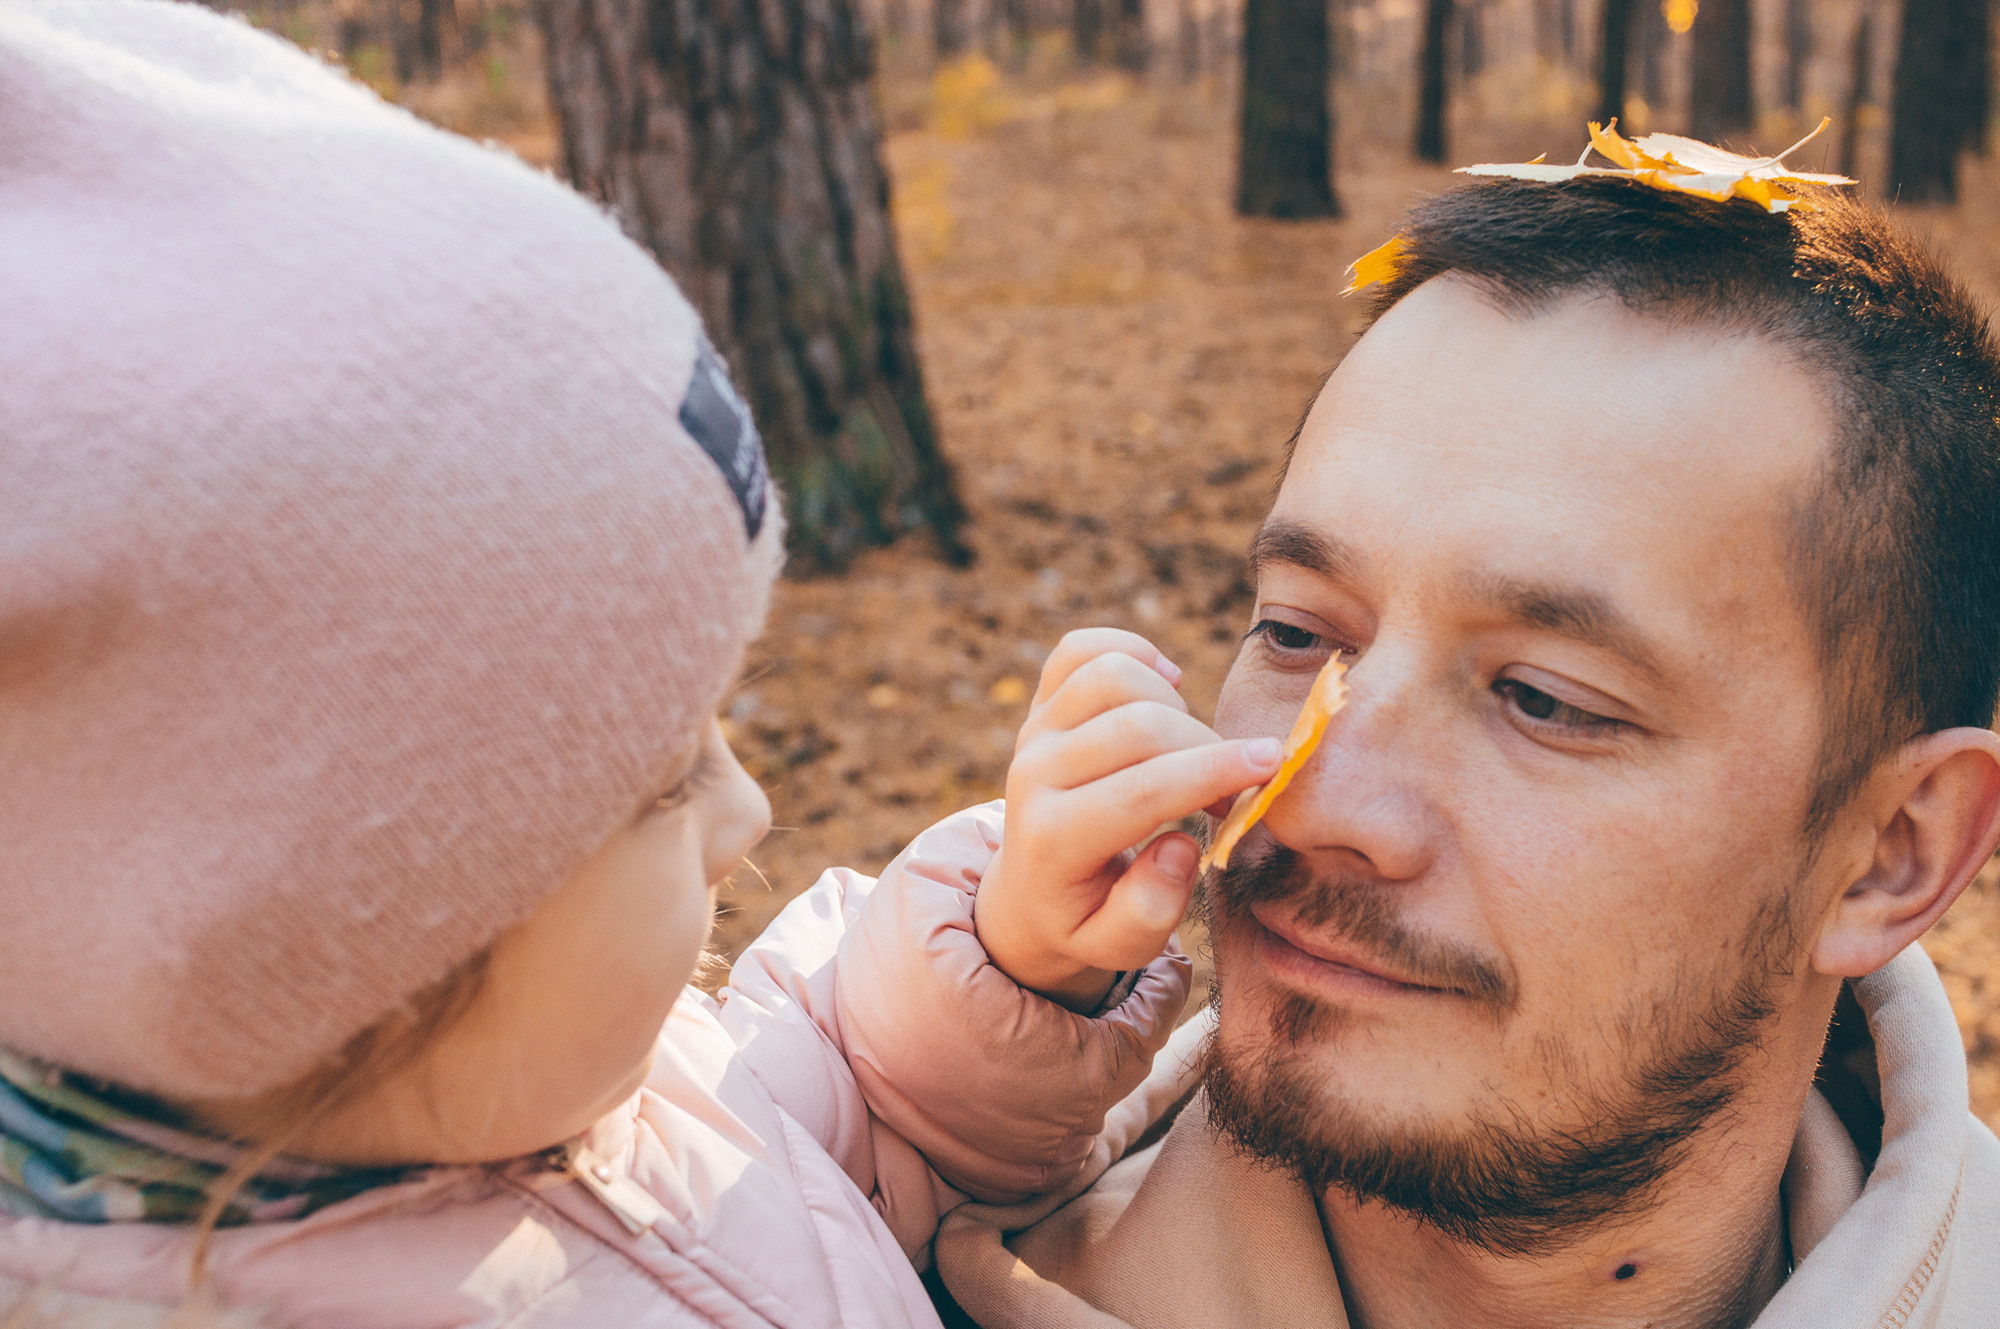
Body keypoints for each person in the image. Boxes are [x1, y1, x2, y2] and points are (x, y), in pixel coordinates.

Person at [0, 4, 1278, 1324]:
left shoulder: (541, 1079)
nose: (748, 814)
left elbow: (794, 1149)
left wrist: (1012, 965)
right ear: (341, 952)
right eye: (662, 782)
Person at [934, 160, 2000, 1326]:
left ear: (1888, 852)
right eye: (1295, 632)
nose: (1313, 799)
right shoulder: (825, 1275)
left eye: (1544, 700)